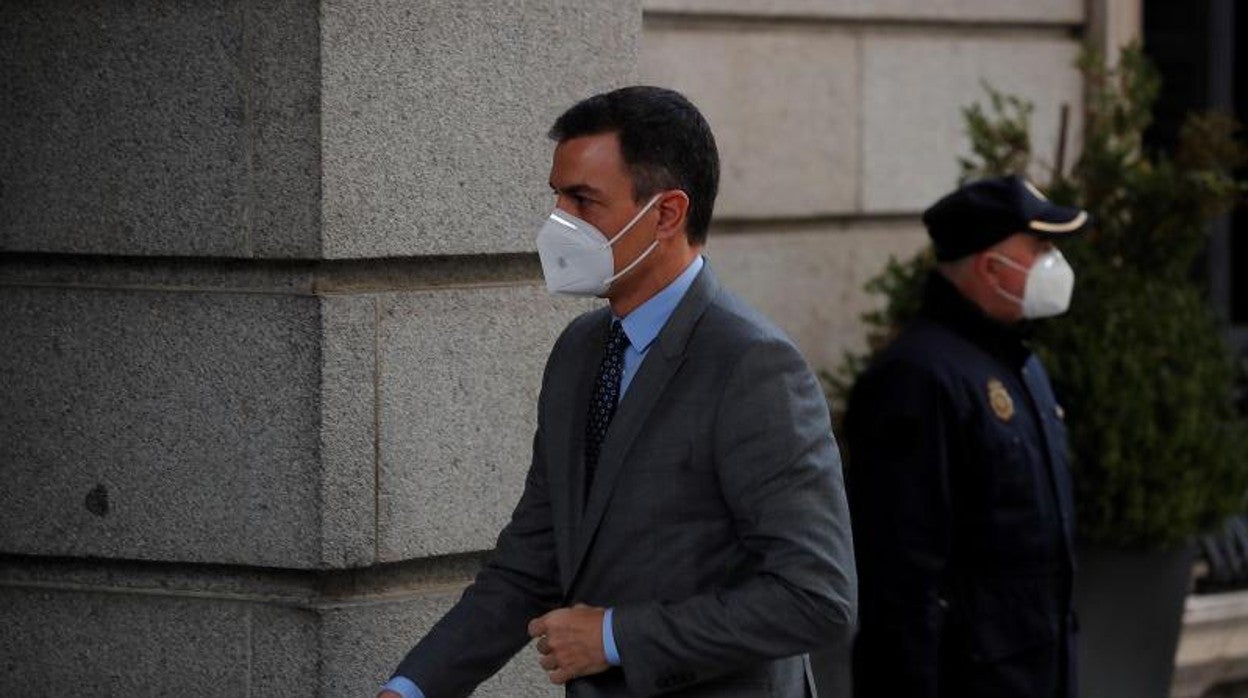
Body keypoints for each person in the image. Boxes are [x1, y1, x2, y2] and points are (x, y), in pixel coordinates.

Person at [379, 86, 856, 698]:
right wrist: (413, 687)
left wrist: (614, 637)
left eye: (583, 200)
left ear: (666, 214)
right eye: (556, 197)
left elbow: (816, 597)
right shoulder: (581, 351)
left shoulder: (753, 367)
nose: (559, 223)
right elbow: (532, 560)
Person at [844, 175, 1088, 697]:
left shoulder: (1020, 363)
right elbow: (902, 578)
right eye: (1040, 247)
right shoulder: (917, 378)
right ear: (990, 266)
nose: (1054, 263)